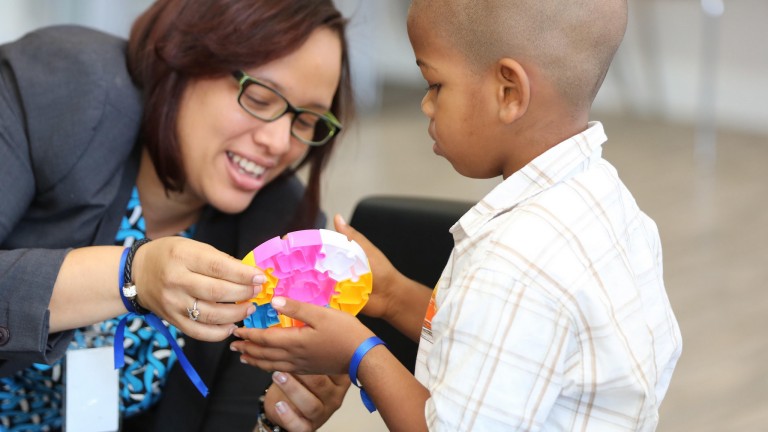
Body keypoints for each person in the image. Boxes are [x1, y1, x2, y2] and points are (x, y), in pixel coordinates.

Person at [231, 0, 684, 430]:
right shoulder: (607, 200)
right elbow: (490, 346)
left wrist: (358, 352)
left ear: (509, 91)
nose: (426, 106)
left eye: (434, 85)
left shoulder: (513, 264)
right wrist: (390, 295)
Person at [0, 0, 353, 430]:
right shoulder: (65, 89)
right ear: (185, 55)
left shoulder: (280, 230)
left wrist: (273, 418)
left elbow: (228, 417)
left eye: (308, 120)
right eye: (260, 98)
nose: (280, 143)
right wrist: (132, 276)